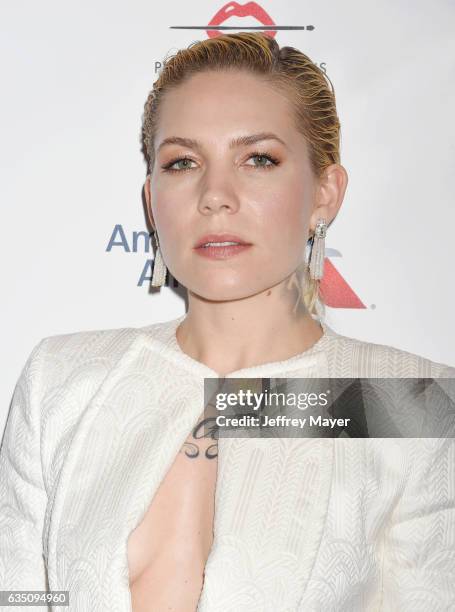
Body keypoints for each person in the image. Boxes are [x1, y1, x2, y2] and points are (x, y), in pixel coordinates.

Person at [1, 32, 454, 612]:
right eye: (183, 162)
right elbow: (17, 598)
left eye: (259, 159)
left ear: (324, 193)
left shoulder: (410, 404)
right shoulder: (60, 382)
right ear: (151, 200)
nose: (216, 195)